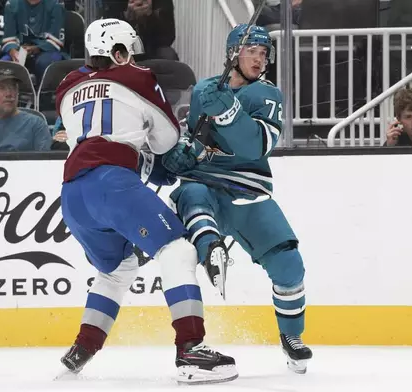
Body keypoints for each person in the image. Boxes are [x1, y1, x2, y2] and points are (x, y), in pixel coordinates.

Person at [55, 18, 237, 385]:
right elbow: (167, 142)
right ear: (118, 52)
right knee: (176, 251)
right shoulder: (139, 78)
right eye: (129, 52)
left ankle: (81, 350)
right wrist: (180, 155)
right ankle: (190, 349)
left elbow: (107, 134)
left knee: (117, 270)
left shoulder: (66, 86)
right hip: (112, 184)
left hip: (73, 193)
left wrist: (148, 161)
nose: (135, 59)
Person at [160, 24, 313, 374]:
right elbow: (199, 140)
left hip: (248, 192)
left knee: (290, 264)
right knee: (192, 193)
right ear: (233, 54)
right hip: (205, 185)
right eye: (252, 52)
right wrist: (185, 153)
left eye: (263, 54)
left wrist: (229, 112)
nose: (259, 60)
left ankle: (292, 337)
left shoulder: (267, 95)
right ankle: (212, 249)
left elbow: (256, 146)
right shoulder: (203, 90)